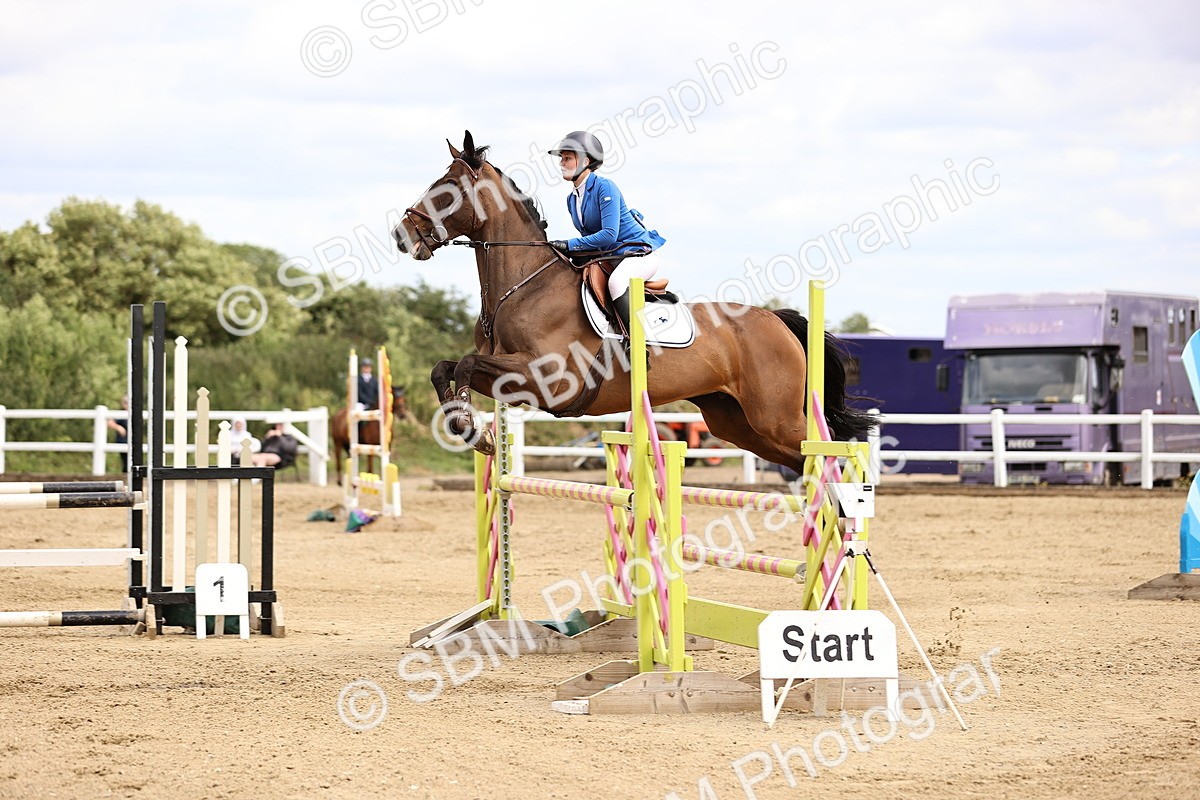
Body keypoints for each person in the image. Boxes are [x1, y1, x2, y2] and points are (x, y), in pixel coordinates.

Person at [546, 130, 666, 339]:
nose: (562, 163)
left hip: (638, 254)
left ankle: (638, 344)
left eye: (567, 158)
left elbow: (609, 235)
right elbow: (589, 241)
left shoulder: (605, 187)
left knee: (617, 283)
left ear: (585, 161)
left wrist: (569, 244)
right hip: (610, 257)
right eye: (562, 159)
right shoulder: (571, 199)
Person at [106, 396, 130, 474]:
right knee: (127, 463)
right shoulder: (121, 413)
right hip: (123, 441)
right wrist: (118, 427)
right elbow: (110, 422)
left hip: (129, 442)